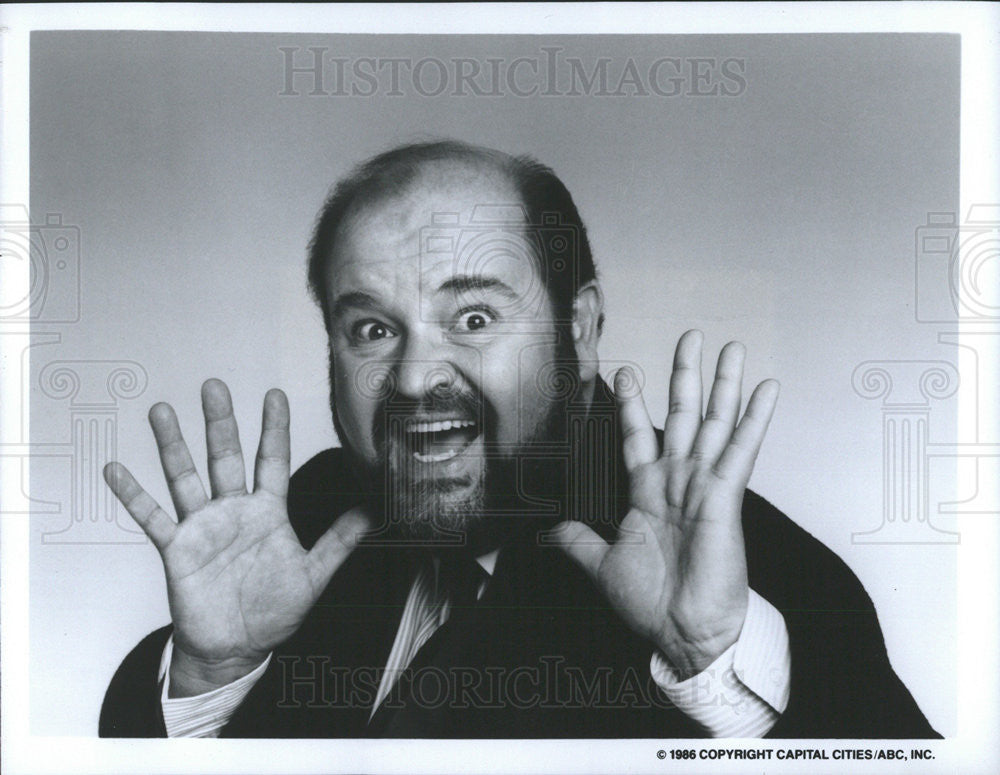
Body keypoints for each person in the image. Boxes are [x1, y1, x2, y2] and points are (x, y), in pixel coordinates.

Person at [99, 140, 938, 738]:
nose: (417, 375)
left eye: (472, 317)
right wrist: (213, 679)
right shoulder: (306, 517)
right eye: (371, 329)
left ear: (578, 331)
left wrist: (711, 660)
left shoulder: (756, 573)